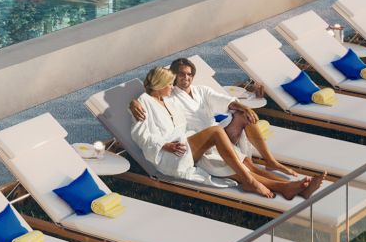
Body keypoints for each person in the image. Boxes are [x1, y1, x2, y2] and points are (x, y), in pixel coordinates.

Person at [130, 57, 319, 197]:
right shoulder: (157, 99)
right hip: (183, 151)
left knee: (245, 160)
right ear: (165, 82)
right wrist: (134, 105)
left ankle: (287, 182)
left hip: (196, 141)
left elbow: (222, 101)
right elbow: (141, 132)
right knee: (234, 160)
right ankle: (271, 184)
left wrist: (243, 103)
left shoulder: (172, 97)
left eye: (188, 74)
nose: (181, 80)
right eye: (176, 77)